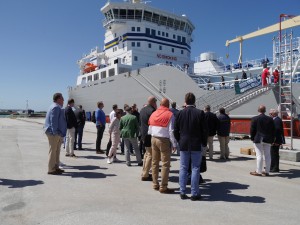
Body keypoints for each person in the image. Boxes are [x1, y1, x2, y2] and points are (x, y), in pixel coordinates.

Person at [174, 93, 207, 200]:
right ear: (194, 101)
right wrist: (204, 142)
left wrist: (179, 140)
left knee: (183, 167)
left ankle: (182, 191)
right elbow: (204, 130)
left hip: (183, 143)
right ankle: (194, 193)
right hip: (196, 143)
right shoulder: (200, 113)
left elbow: (175, 130)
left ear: (185, 101)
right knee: (195, 168)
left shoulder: (180, 113)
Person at [148, 98, 177, 194]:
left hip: (153, 138)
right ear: (168, 105)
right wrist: (174, 143)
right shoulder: (170, 115)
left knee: (154, 162)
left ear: (160, 104)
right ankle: (163, 186)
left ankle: (155, 184)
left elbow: (150, 128)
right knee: (165, 164)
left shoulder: (154, 113)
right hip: (164, 140)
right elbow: (171, 131)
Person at [44, 93, 67, 175]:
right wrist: (55, 133)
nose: (64, 100)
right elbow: (53, 121)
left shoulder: (55, 106)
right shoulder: (56, 107)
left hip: (56, 133)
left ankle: (56, 167)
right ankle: (51, 169)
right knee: (53, 151)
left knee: (56, 151)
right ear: (58, 99)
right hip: (53, 133)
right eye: (62, 98)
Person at [250, 105, 275, 176]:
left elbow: (252, 130)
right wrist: (273, 139)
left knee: (259, 155)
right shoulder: (270, 119)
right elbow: (273, 130)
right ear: (265, 110)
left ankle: (259, 171)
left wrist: (252, 138)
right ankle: (267, 171)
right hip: (268, 139)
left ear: (258, 110)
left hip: (258, 138)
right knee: (268, 155)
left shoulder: (255, 118)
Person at [140, 96, 157, 181]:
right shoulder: (152, 111)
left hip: (143, 134)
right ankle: (145, 174)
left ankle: (144, 172)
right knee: (150, 154)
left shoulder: (142, 110)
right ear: (153, 102)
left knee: (146, 154)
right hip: (149, 134)